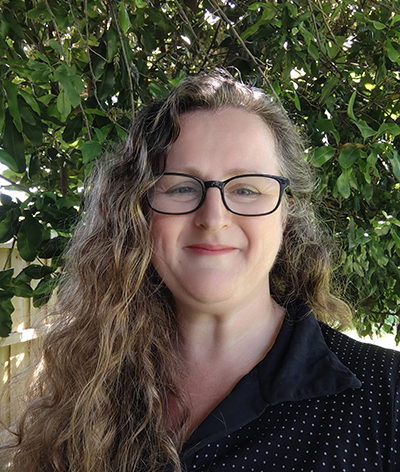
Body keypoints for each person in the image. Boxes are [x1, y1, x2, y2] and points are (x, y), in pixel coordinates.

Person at [1, 70, 399, 472]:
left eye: (246, 188)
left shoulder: (389, 399)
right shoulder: (86, 390)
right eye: (181, 187)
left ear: (285, 215)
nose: (214, 217)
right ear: (139, 212)